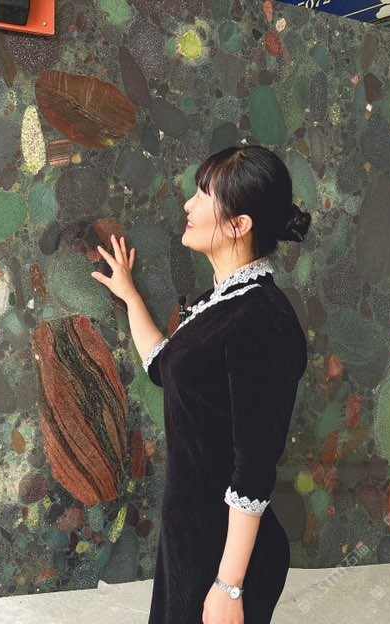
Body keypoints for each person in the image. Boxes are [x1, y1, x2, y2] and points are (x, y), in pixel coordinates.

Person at [90, 144, 312, 624]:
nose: (188, 205)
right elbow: (166, 368)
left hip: (224, 556)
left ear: (238, 225)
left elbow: (253, 469)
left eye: (203, 195)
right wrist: (130, 295)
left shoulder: (263, 322)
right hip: (189, 540)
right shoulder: (224, 300)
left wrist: (229, 586)